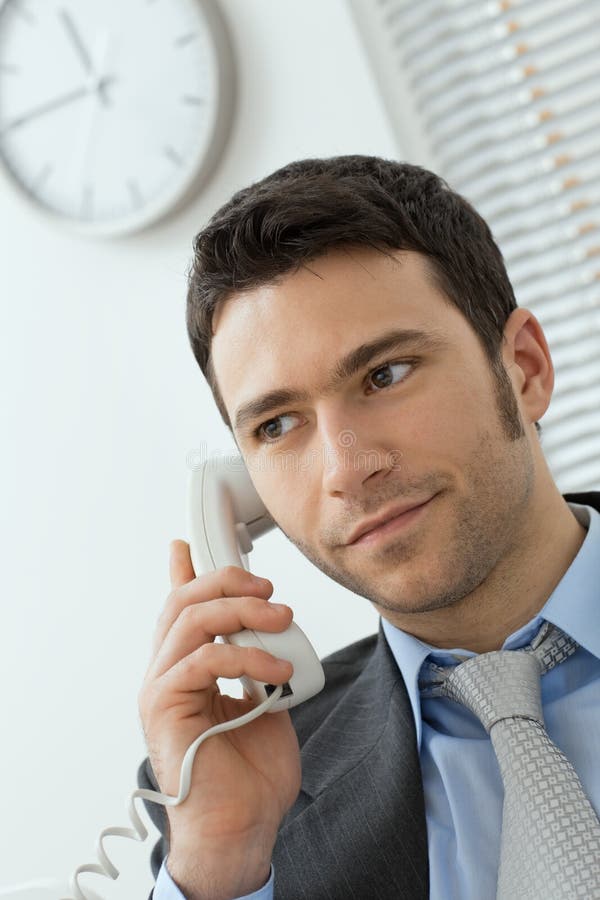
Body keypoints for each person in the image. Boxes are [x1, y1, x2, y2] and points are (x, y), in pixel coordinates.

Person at [137, 155, 600, 900]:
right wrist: (221, 870)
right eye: (277, 424)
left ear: (524, 369)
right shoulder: (239, 784)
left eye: (385, 375)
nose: (347, 469)